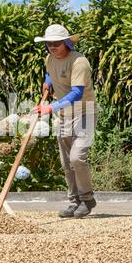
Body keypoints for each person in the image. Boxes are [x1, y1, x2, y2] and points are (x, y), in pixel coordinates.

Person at [33, 24, 99, 218]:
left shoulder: (79, 62)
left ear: (67, 43)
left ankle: (87, 199)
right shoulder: (49, 59)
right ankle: (75, 201)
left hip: (84, 111)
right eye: (49, 43)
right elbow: (50, 71)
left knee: (77, 157)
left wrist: (50, 108)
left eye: (57, 43)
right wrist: (48, 81)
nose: (52, 46)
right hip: (64, 115)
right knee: (66, 162)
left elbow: (77, 93)